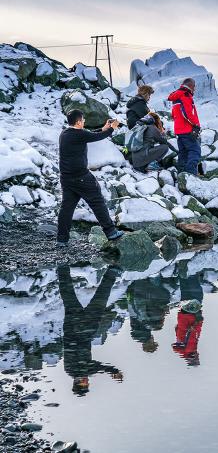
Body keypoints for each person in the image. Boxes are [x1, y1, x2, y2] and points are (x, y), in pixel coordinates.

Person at [57, 110, 124, 246]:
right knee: (97, 202)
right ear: (78, 122)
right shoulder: (79, 134)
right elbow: (96, 137)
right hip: (81, 177)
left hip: (66, 178)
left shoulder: (65, 133)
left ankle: (62, 239)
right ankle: (111, 232)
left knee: (66, 208)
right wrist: (112, 128)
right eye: (83, 120)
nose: (84, 122)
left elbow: (89, 135)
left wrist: (104, 128)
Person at [57, 264, 124, 395]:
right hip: (72, 327)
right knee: (69, 296)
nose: (87, 382)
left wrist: (113, 371)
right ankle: (62, 267)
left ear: (78, 383)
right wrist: (112, 371)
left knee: (101, 298)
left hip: (85, 329)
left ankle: (112, 272)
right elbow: (98, 368)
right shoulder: (71, 370)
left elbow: (97, 367)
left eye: (84, 384)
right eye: (87, 384)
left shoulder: (77, 370)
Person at [168, 78, 202, 175]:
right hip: (187, 129)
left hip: (179, 130)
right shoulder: (185, 95)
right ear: (190, 86)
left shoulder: (177, 96)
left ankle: (182, 174)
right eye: (194, 86)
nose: (194, 89)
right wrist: (196, 125)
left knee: (183, 153)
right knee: (195, 151)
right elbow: (187, 114)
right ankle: (190, 174)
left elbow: (173, 114)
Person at [172, 299, 203, 366]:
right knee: (188, 308)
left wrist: (197, 324)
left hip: (190, 320)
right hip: (183, 321)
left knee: (193, 305)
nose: (197, 356)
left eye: (196, 358)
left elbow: (193, 336)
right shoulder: (183, 350)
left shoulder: (190, 350)